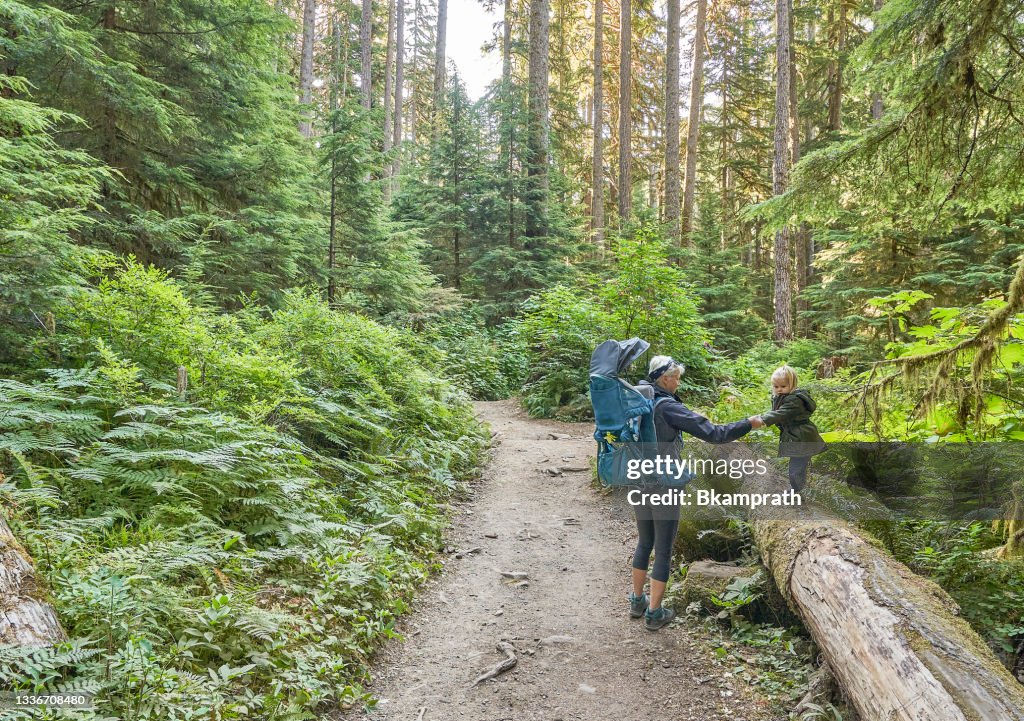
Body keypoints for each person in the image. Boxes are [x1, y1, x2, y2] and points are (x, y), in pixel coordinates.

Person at [629, 355, 763, 631]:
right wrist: (749, 423)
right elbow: (714, 433)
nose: (678, 382)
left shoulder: (638, 398)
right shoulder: (668, 406)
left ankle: (637, 601)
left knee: (645, 542)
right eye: (676, 377)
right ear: (665, 379)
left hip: (638, 478)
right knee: (663, 548)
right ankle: (655, 614)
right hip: (663, 483)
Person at [759, 365, 826, 492]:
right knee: (797, 465)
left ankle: (796, 492)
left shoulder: (795, 400)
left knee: (796, 469)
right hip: (796, 436)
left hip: (802, 437)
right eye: (776, 386)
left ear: (792, 384)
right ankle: (799, 488)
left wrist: (763, 420)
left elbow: (781, 413)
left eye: (783, 386)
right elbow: (777, 412)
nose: (779, 389)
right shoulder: (781, 397)